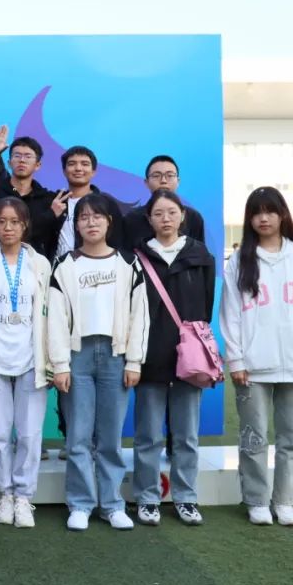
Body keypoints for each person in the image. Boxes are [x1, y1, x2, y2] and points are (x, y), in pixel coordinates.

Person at [221, 187, 293, 527]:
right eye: (256, 212)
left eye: (270, 211)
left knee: (291, 439)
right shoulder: (240, 260)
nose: (263, 218)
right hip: (252, 366)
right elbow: (230, 314)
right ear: (249, 219)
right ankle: (256, 500)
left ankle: (285, 501)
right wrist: (236, 359)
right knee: (253, 438)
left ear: (282, 215)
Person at [48, 193, 148, 531]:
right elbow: (56, 319)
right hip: (77, 356)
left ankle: (112, 504)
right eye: (84, 217)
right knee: (78, 436)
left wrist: (134, 361)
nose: (91, 223)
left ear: (109, 222)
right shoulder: (65, 265)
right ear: (76, 225)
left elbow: (140, 316)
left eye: (97, 216)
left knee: (110, 437)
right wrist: (60, 364)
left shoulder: (128, 264)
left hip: (116, 356)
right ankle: (80, 504)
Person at [0, 196, 52, 528]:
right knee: (0, 434)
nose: (8, 228)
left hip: (31, 358)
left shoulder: (40, 265)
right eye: (1, 221)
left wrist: (52, 358)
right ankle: (5, 494)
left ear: (25, 225)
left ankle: (24, 496)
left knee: (29, 434)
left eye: (15, 221)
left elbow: (49, 313)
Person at [132, 190, 215, 526]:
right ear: (149, 219)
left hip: (189, 358)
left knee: (186, 435)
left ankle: (186, 497)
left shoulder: (200, 255)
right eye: (158, 213)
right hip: (149, 356)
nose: (165, 219)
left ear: (183, 215)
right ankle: (147, 498)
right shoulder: (137, 257)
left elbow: (206, 306)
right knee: (148, 436)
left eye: (171, 212)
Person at [0, 128, 57, 259]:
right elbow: (1, 232)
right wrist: (49, 216)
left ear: (38, 165)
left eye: (28, 156)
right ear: (9, 163)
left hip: (37, 267)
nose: (22, 160)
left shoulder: (48, 199)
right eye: (17, 156)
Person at [49, 146, 125, 259]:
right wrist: (50, 215)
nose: (78, 168)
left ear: (93, 171)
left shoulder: (106, 203)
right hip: (59, 267)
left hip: (98, 266)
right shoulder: (53, 201)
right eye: (72, 164)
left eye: (85, 164)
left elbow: (118, 240)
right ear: (64, 171)